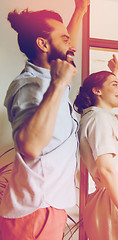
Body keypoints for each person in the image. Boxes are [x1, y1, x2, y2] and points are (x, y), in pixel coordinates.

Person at [0, 1, 89, 239]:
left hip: (48, 208)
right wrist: (59, 84)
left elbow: (65, 48)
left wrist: (79, 11)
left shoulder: (50, 80)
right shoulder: (30, 85)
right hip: (34, 213)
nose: (72, 46)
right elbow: (29, 145)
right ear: (42, 44)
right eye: (65, 39)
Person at [74, 61, 118, 240]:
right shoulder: (98, 118)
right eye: (115, 85)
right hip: (113, 203)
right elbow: (106, 169)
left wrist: (114, 74)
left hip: (117, 198)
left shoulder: (102, 117)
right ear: (97, 91)